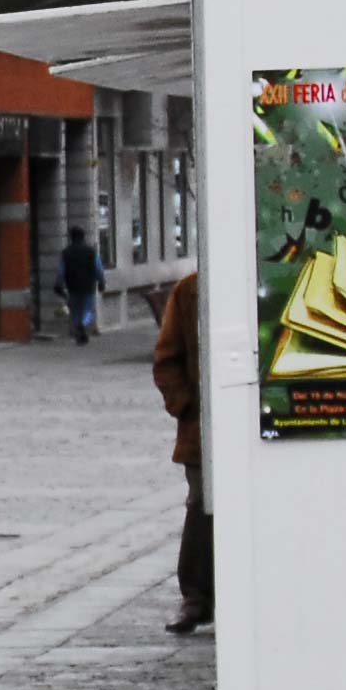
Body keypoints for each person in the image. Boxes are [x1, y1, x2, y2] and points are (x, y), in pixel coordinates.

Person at [154, 267, 211, 633]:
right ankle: (196, 597)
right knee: (202, 505)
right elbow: (167, 359)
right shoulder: (190, 290)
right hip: (202, 427)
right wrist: (187, 405)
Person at [57, 227, 105, 345]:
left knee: (75, 311)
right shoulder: (90, 251)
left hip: (72, 286)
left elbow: (61, 271)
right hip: (88, 285)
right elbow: (98, 268)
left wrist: (58, 284)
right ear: (83, 237)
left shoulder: (66, 252)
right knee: (88, 310)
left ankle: (78, 329)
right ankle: (83, 324)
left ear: (71, 237)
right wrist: (101, 282)